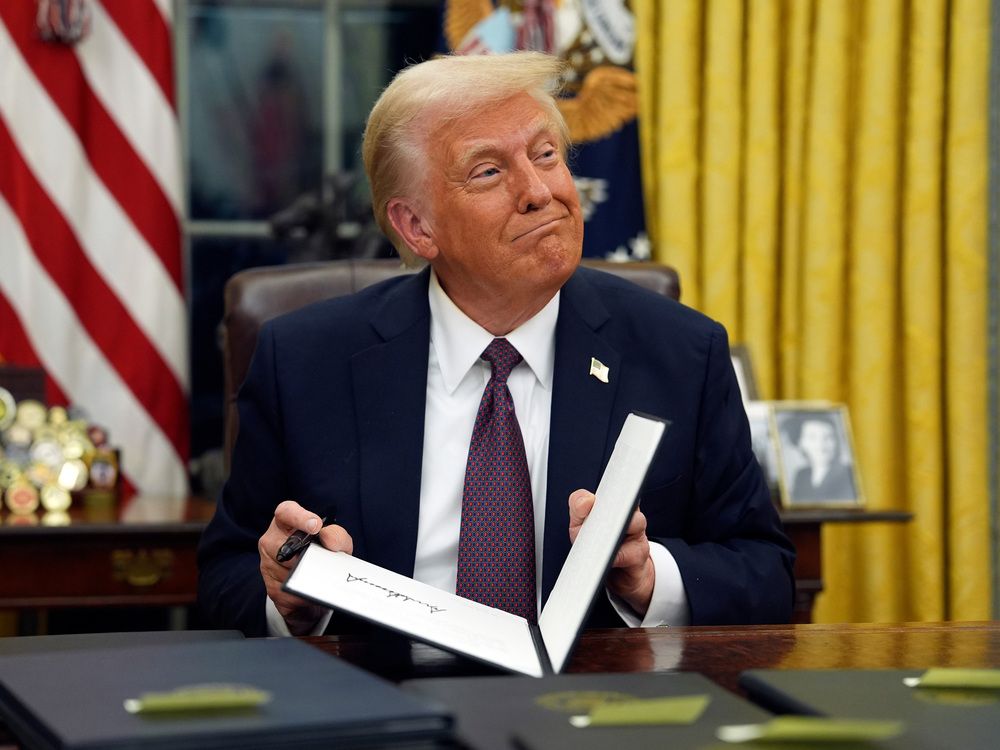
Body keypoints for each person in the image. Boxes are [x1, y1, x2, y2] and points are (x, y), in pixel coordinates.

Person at [197, 52, 796, 638]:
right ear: (416, 227)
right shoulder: (304, 362)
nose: (539, 191)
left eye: (546, 155)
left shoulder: (681, 354)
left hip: (590, 713)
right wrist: (292, 603)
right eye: (489, 171)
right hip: (388, 707)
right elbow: (225, 578)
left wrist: (647, 577)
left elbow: (766, 573)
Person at [786, 414, 855, 502]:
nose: (821, 445)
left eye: (828, 437)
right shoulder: (801, 475)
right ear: (801, 443)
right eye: (812, 437)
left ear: (837, 441)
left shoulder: (848, 473)